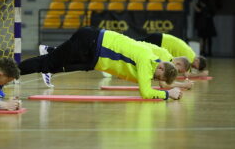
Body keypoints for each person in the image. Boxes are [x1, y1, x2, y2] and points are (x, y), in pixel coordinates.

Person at [20, 27, 182, 100]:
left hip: (93, 53)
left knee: (81, 66)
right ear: (160, 66)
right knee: (45, 64)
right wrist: (168, 94)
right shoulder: (146, 63)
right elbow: (146, 93)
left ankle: (52, 52)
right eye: (156, 76)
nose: (152, 78)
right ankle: (10, 72)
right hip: (89, 44)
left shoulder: (150, 55)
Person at [40, 40, 193, 89]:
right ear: (178, 63)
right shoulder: (165, 60)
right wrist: (182, 85)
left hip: (128, 52)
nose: (179, 73)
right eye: (180, 70)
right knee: (84, 60)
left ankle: (50, 52)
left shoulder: (166, 59)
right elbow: (162, 84)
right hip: (125, 54)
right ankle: (50, 65)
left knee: (84, 60)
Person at [137, 33, 208, 77]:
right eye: (195, 66)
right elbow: (186, 75)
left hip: (161, 38)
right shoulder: (190, 58)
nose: (193, 67)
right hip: (160, 42)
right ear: (197, 61)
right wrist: (201, 75)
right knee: (134, 44)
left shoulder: (191, 53)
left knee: (134, 42)